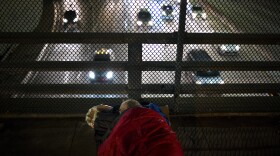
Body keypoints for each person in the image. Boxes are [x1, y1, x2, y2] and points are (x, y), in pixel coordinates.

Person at [86, 99, 184, 156]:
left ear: (123, 110)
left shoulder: (122, 117)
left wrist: (109, 108)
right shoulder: (155, 113)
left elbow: (111, 145)